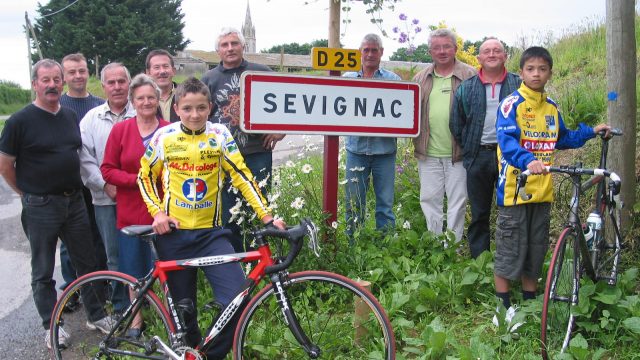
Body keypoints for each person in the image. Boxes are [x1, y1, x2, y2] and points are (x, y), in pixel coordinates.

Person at [138, 77, 285, 359]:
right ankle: (189, 352)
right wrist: (157, 212)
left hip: (211, 235)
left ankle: (209, 355)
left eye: (201, 108)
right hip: (173, 236)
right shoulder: (164, 137)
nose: (195, 115)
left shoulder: (219, 135)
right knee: (184, 313)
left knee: (237, 299)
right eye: (188, 108)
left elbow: (242, 176)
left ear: (210, 108)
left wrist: (267, 217)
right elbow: (144, 176)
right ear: (177, 108)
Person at [0, 59, 113, 349]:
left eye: (56, 80)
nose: (52, 85)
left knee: (86, 263)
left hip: (73, 201)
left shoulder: (68, 117)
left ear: (61, 83)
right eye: (45, 80)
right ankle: (52, 325)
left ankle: (97, 315)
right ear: (35, 84)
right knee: (43, 271)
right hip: (40, 205)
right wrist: (26, 193)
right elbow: (5, 165)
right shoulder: (19, 122)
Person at [493, 46, 610, 315]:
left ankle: (531, 303)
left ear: (550, 73)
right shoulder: (512, 104)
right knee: (510, 249)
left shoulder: (552, 107)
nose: (536, 74)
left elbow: (564, 138)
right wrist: (528, 161)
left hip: (543, 191)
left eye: (542, 69)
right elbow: (507, 143)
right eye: (530, 69)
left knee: (536, 249)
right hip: (515, 190)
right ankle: (503, 308)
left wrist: (591, 132)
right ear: (521, 72)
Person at [201, 27, 285, 252]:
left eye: (234, 43)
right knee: (230, 213)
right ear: (218, 50)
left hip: (258, 152)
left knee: (260, 208)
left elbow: (287, 103)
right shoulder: (209, 79)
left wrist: (280, 131)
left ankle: (264, 259)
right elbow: (200, 117)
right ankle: (238, 260)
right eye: (225, 45)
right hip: (225, 158)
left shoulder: (262, 72)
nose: (230, 48)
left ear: (243, 46)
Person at [101, 74, 170, 338]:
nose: (146, 102)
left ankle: (167, 319)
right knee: (132, 269)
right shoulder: (121, 130)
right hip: (130, 212)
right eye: (140, 98)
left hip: (162, 212)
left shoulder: (168, 130)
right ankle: (136, 321)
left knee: (163, 267)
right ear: (132, 101)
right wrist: (139, 181)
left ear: (158, 99)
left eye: (151, 97)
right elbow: (107, 169)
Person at [450, 38, 521, 258]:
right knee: (480, 213)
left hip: (510, 157)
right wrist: (470, 149)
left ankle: (508, 260)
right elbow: (456, 123)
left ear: (505, 56)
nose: (492, 54)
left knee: (511, 212)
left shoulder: (519, 85)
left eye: (497, 50)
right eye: (487, 51)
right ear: (479, 58)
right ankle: (480, 262)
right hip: (478, 157)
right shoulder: (467, 87)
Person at [412, 28, 476, 243]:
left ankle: (454, 246)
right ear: (430, 51)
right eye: (436, 47)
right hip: (428, 152)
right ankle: (436, 244)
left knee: (458, 201)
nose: (442, 51)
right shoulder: (420, 78)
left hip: (458, 153)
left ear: (455, 48)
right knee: (429, 200)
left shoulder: (470, 75)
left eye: (446, 46)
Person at [342, 33, 401, 241]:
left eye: (374, 50)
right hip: (355, 151)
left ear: (381, 53)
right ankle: (353, 244)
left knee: (385, 204)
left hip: (384, 152)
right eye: (366, 49)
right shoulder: (347, 80)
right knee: (353, 203)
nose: (369, 54)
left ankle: (385, 246)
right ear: (360, 52)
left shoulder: (393, 80)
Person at [59, 53, 107, 301]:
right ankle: (71, 289)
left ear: (88, 72)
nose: (78, 76)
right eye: (72, 72)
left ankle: (99, 286)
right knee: (70, 243)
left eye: (81, 70)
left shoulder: (99, 104)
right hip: (72, 185)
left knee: (97, 236)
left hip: (98, 183)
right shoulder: (58, 105)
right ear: (64, 76)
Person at [80, 62, 136, 274]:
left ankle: (145, 304)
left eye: (121, 81)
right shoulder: (91, 119)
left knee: (139, 252)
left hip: (138, 198)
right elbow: (84, 158)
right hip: (104, 199)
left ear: (129, 84)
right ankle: (120, 303)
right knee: (112, 254)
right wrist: (105, 185)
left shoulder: (142, 113)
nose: (117, 86)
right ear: (103, 86)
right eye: (111, 82)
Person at [145, 49, 180, 122]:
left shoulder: (185, 95)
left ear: (173, 71)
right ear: (148, 73)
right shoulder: (143, 100)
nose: (162, 71)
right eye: (157, 67)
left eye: (166, 66)